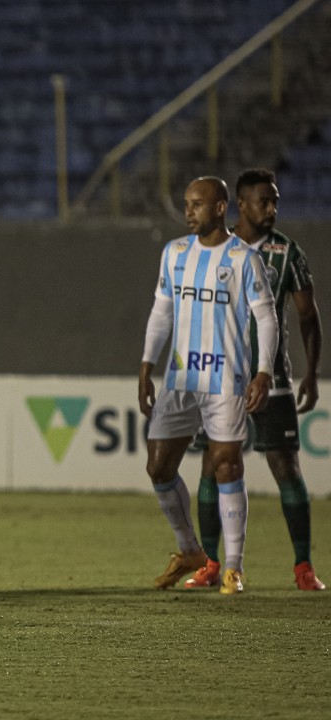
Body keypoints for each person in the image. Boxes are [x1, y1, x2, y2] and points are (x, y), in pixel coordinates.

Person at [184, 169, 324, 591]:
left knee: (286, 467)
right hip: (218, 379)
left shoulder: (287, 253)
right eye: (265, 201)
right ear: (239, 205)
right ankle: (211, 565)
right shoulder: (211, 250)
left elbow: (307, 317)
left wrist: (312, 374)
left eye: (276, 201)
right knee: (212, 466)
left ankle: (303, 567)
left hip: (273, 381)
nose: (273, 209)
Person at [139, 176, 278, 595]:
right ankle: (191, 551)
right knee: (159, 466)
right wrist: (147, 363)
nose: (188, 212)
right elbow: (162, 311)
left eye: (197, 204)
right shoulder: (175, 253)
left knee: (226, 466)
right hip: (180, 377)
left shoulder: (242, 258)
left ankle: (233, 567)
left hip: (225, 378)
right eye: (186, 204)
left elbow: (266, 317)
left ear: (220, 208)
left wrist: (263, 371)